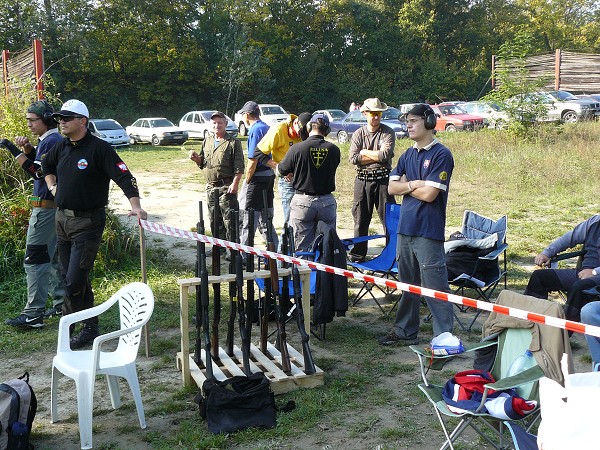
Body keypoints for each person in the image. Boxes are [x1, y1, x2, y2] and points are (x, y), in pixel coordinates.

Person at [42, 99, 147, 348]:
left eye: (67, 118)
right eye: (60, 118)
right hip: (62, 220)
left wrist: (135, 205)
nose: (62, 122)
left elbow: (124, 175)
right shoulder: (61, 146)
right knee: (73, 277)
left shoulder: (100, 149)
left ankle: (67, 333)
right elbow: (45, 164)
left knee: (74, 280)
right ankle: (90, 327)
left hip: (87, 222)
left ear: (83, 121)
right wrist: (51, 184)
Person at [379, 103, 454, 345]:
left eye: (413, 120)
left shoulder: (441, 154)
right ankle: (405, 331)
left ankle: (443, 337)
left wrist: (407, 186)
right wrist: (415, 184)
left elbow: (431, 195)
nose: (408, 125)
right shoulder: (406, 155)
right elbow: (391, 188)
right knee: (408, 286)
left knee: (435, 288)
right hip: (405, 228)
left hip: (428, 231)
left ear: (429, 122)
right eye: (406, 121)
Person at [2, 100, 65, 328]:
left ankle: (33, 314)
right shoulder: (50, 140)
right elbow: (40, 161)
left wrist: (12, 149)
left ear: (47, 120)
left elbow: (37, 172)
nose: (28, 123)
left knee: (35, 259)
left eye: (32, 120)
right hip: (53, 208)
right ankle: (61, 305)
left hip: (46, 210)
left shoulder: (51, 140)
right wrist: (28, 149)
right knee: (55, 259)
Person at [277, 113, 341, 252]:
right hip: (326, 202)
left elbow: (282, 169)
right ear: (327, 130)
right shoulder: (334, 149)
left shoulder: (297, 148)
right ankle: (324, 273)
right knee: (327, 246)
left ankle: (304, 273)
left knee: (302, 247)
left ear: (308, 127)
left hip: (302, 201)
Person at [524, 214, 600, 322]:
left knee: (579, 287)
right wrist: (546, 253)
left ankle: (563, 332)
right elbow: (569, 238)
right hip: (583, 273)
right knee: (539, 277)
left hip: (595, 276)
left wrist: (595, 272)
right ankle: (529, 322)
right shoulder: (594, 222)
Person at [348, 98, 396, 263]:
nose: (376, 117)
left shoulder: (388, 132)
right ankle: (358, 256)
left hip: (383, 181)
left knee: (389, 220)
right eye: (373, 114)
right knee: (360, 220)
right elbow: (353, 158)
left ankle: (391, 256)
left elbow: (384, 156)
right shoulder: (358, 134)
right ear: (365, 113)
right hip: (362, 181)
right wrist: (375, 155)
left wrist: (365, 152)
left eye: (378, 114)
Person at [189, 111, 244, 242]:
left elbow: (239, 166)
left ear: (225, 124)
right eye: (214, 123)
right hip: (211, 187)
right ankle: (218, 249)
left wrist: (235, 184)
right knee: (214, 220)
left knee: (230, 221)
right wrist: (196, 159)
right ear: (210, 124)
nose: (217, 125)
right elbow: (203, 162)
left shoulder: (233, 142)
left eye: (220, 123)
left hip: (226, 187)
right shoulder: (207, 141)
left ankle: (233, 251)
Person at [255, 112, 312, 227]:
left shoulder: (309, 132)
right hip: (287, 181)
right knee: (290, 219)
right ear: (295, 123)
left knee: (305, 218)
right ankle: (285, 244)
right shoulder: (278, 130)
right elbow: (258, 153)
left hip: (304, 180)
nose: (299, 137)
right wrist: (280, 168)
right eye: (299, 133)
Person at [236, 101, 276, 249]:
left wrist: (247, 180)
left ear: (247, 115)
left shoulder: (255, 129)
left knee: (249, 217)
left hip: (257, 177)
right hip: (269, 176)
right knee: (266, 216)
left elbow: (253, 159)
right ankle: (275, 251)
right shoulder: (267, 127)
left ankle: (245, 254)